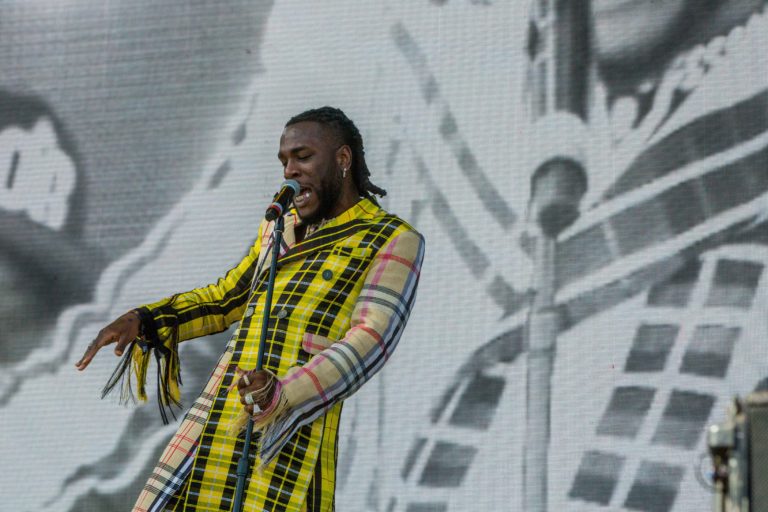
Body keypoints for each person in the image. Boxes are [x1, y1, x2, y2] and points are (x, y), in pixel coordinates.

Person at [75, 106, 425, 512]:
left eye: (303, 156)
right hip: (216, 424)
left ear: (343, 159)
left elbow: (369, 342)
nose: (290, 170)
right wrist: (147, 318)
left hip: (288, 436)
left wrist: (281, 393)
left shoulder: (391, 239)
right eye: (284, 161)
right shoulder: (281, 226)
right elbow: (227, 298)